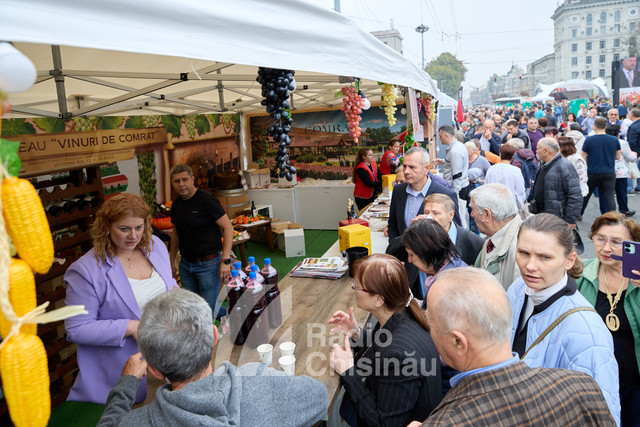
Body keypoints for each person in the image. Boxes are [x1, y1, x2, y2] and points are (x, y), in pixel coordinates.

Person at [407, 268, 616, 427]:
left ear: (458, 342)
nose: (428, 331)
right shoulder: (582, 387)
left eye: (431, 323)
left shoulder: (445, 422)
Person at [98, 289, 328, 426]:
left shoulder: (136, 422)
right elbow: (319, 395)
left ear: (154, 370)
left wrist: (127, 383)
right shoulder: (256, 378)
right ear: (215, 336)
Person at [64, 193, 178, 404]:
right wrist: (133, 327)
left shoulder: (155, 245)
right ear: (106, 227)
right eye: (124, 229)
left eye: (139, 227)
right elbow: (76, 328)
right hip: (131, 368)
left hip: (170, 355)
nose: (133, 236)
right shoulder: (85, 270)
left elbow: (169, 285)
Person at [508, 213, 621, 425]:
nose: (530, 265)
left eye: (545, 257)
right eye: (523, 253)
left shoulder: (588, 334)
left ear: (570, 260)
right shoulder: (517, 289)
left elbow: (602, 416)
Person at [328, 254, 442, 427]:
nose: (354, 289)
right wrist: (357, 334)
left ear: (379, 299)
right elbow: (382, 348)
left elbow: (382, 423)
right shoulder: (402, 315)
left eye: (358, 287)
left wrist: (348, 371)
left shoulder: (399, 356)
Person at [575, 212, 640, 426]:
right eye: (600, 239)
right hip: (592, 383)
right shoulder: (580, 275)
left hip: (633, 385)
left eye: (617, 242)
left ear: (633, 246)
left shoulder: (637, 279)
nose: (606, 248)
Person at [169, 164, 234, 317]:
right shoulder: (177, 204)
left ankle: (237, 318)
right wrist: (171, 260)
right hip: (186, 266)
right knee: (193, 309)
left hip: (208, 265)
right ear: (172, 183)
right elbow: (175, 233)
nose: (181, 184)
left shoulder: (206, 200)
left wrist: (225, 261)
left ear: (192, 179)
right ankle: (237, 314)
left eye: (184, 179)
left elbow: (228, 228)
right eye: (176, 181)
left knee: (206, 311)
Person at [386, 147, 460, 240]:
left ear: (426, 168)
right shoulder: (398, 190)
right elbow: (393, 225)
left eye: (412, 167)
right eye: (404, 166)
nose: (406, 171)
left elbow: (455, 232)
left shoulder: (445, 194)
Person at [403, 218, 468, 302]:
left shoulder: (446, 287)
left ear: (427, 252)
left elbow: (430, 311)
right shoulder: (452, 267)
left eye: (411, 255)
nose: (409, 260)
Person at [471, 184, 523, 289]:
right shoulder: (492, 238)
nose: (471, 214)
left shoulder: (519, 249)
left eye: (473, 209)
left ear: (487, 214)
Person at [412, 193, 484, 266]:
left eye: (436, 213)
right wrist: (411, 232)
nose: (429, 217)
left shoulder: (473, 242)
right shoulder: (418, 235)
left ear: (451, 215)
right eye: (426, 213)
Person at [529, 137, 582, 228]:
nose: (536, 151)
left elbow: (575, 195)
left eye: (537, 148)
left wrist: (570, 220)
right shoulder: (545, 164)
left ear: (546, 151)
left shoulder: (565, 166)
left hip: (557, 219)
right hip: (545, 216)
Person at [581, 117, 622, 216]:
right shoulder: (614, 140)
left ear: (594, 127)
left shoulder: (588, 140)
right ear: (606, 126)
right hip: (609, 172)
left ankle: (579, 213)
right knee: (609, 196)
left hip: (592, 171)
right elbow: (618, 156)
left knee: (586, 194)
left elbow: (583, 157)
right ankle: (612, 216)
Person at [606, 124, 636, 217]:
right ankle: (624, 210)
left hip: (607, 170)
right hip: (620, 172)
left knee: (607, 193)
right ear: (618, 133)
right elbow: (630, 157)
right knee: (621, 192)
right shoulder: (622, 142)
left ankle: (609, 211)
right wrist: (634, 154)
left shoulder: (604, 142)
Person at [434, 125, 469, 200]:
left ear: (446, 136)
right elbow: (457, 163)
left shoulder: (454, 151)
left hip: (458, 188)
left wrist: (455, 194)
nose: (439, 139)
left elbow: (457, 174)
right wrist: (444, 161)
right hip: (461, 185)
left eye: (440, 136)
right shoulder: (459, 146)